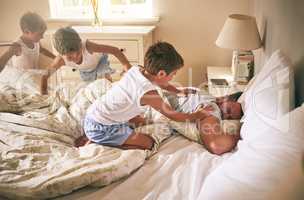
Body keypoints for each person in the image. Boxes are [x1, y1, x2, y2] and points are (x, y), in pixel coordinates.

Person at [79, 41, 209, 150]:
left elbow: (161, 83)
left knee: (142, 121)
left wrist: (177, 91)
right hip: (101, 127)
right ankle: (100, 142)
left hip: (96, 114)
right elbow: (173, 115)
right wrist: (198, 115)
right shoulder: (148, 94)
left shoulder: (137, 69)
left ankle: (99, 135)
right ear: (162, 74)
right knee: (148, 144)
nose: (173, 76)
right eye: (173, 74)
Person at [48, 27, 132, 83]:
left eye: (78, 52)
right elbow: (44, 76)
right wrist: (43, 96)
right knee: (93, 90)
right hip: (85, 70)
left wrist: (127, 66)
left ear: (80, 43)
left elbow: (115, 50)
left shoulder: (89, 46)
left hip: (99, 63)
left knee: (105, 84)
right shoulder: (60, 60)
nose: (76, 57)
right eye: (70, 57)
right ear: (61, 55)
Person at [172, 92, 243, 155]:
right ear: (225, 99)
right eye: (228, 110)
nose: (226, 115)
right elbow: (216, 145)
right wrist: (239, 136)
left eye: (229, 118)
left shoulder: (206, 97)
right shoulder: (212, 107)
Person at [3, 12, 56, 94]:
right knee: (43, 93)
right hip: (21, 78)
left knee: (49, 88)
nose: (42, 37)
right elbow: (3, 59)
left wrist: (56, 58)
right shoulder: (17, 45)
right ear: (27, 32)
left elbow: (42, 50)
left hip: (32, 75)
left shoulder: (36, 41)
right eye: (40, 34)